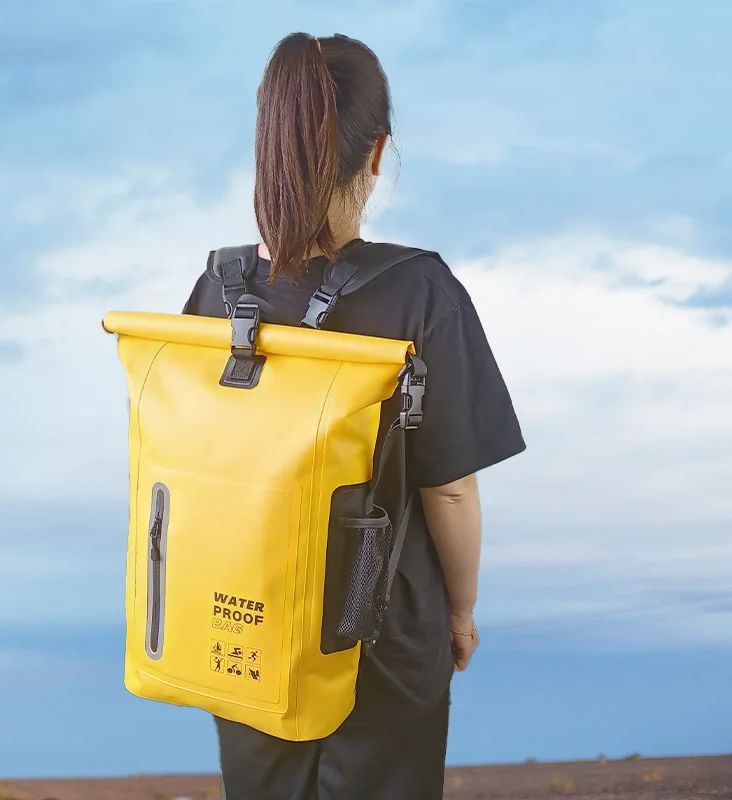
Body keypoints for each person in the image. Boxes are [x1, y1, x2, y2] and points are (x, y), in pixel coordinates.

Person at [182, 31, 526, 800]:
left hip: (244, 616)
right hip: (382, 628)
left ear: (270, 148)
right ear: (377, 156)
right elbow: (449, 490)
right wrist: (461, 613)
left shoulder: (217, 292)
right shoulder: (421, 292)